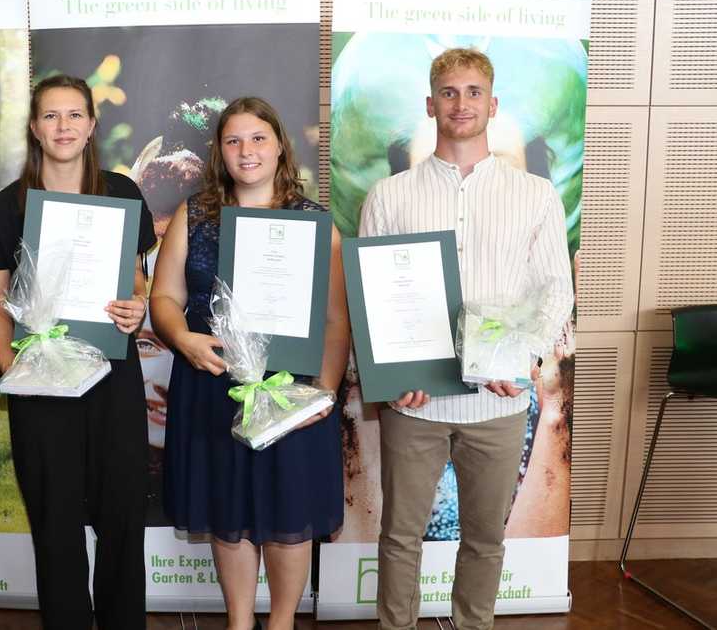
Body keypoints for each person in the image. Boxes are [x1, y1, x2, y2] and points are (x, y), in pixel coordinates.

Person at [358, 47, 574, 630]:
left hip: (498, 398)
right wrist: (391, 376)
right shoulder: (391, 196)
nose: (461, 103)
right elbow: (372, 301)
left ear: (493, 104)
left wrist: (524, 360)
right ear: (431, 105)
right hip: (415, 402)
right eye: (449, 92)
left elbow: (556, 290)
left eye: (473, 92)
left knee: (484, 539)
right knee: (400, 536)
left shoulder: (534, 196)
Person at [151, 96, 348, 630]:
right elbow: (164, 299)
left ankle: (281, 622)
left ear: (280, 144)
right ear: (219, 150)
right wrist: (182, 339)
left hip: (293, 393)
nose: (247, 150)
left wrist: (324, 393)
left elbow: (335, 321)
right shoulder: (195, 215)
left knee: (289, 512)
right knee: (228, 512)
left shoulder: (315, 225)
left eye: (258, 137)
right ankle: (239, 621)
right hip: (214, 385)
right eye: (233, 140)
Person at [0, 74, 154, 629]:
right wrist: (16, 374)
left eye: (74, 115)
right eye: (51, 116)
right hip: (42, 393)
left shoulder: (122, 193)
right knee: (55, 530)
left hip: (112, 381)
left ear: (92, 125)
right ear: (33, 126)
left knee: (123, 523)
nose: (63, 127)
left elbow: (138, 282)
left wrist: (137, 306)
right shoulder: (5, 211)